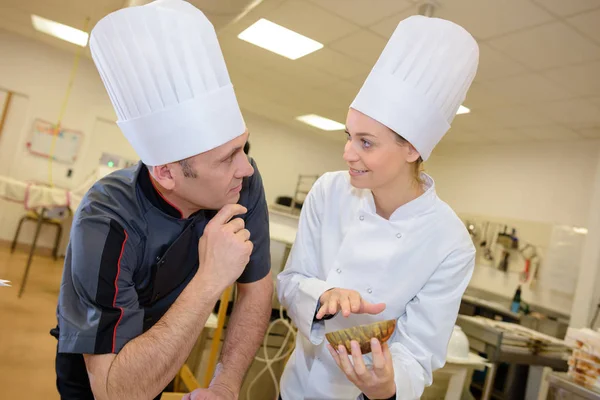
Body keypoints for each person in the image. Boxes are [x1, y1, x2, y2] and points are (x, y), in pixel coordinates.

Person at [50, 1, 273, 399]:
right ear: (166, 173)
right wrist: (209, 279)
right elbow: (115, 391)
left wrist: (225, 385)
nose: (247, 168)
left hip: (169, 343)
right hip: (98, 371)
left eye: (244, 148)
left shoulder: (241, 184)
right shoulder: (107, 219)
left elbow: (256, 288)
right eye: (227, 158)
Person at [277, 15, 479, 400]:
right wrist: (324, 295)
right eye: (348, 136)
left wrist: (387, 386)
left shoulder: (451, 242)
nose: (348, 153)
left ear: (411, 149)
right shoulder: (328, 191)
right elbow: (289, 283)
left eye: (366, 143)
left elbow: (418, 353)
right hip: (296, 387)